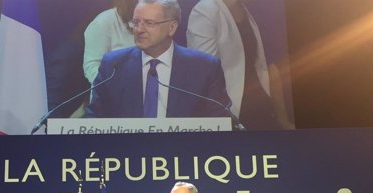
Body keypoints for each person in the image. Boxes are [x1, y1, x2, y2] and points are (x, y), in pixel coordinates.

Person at [85, 0, 231, 119]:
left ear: (172, 28)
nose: (139, 30)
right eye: (136, 22)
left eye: (149, 23)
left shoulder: (204, 68)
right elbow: (95, 118)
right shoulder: (113, 65)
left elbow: (220, 122)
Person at [187, 0, 294, 130]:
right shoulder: (205, 10)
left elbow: (264, 66)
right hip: (233, 115)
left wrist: (283, 119)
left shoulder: (245, 11)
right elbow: (205, 75)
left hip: (262, 111)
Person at [83, 0, 136, 84]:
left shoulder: (154, 21)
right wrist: (115, 88)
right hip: (113, 92)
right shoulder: (103, 22)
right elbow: (92, 66)